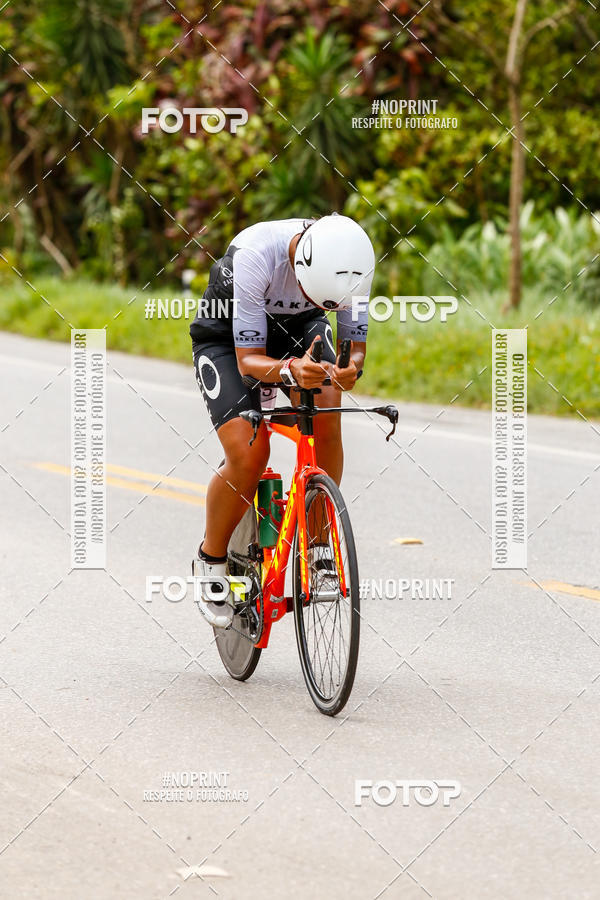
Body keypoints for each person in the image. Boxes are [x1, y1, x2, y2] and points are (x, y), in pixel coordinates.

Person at [189, 213, 375, 627]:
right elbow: (248, 361)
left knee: (327, 405)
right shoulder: (256, 256)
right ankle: (211, 560)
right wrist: (290, 370)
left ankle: (319, 545)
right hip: (228, 340)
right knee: (251, 452)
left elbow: (354, 349)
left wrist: (349, 369)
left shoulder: (354, 261)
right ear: (301, 268)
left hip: (298, 331)